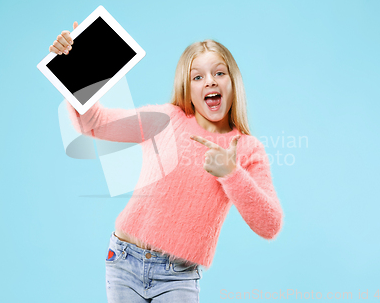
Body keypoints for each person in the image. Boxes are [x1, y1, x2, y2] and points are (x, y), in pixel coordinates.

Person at [49, 21, 284, 302]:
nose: (209, 81)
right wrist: (76, 67)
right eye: (197, 77)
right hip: (124, 260)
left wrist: (231, 173)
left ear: (233, 81)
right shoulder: (166, 119)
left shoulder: (246, 149)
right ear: (187, 87)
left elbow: (270, 225)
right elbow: (95, 124)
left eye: (219, 73)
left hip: (179, 275)